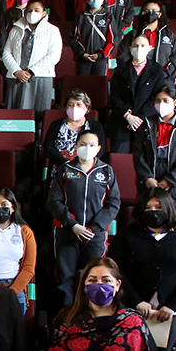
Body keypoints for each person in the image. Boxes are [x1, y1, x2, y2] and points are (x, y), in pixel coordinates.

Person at [112, 189, 176, 350]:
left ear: (168, 208)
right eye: (148, 208)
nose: (153, 212)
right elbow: (115, 269)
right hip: (132, 308)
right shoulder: (126, 234)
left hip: (169, 313)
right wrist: (137, 301)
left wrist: (172, 305)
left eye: (158, 207)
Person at [47, 130, 120, 303]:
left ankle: (90, 314)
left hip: (95, 235)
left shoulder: (107, 171)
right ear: (75, 146)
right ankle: (67, 315)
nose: (87, 148)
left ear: (98, 148)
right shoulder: (65, 170)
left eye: (92, 145)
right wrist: (73, 224)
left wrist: (95, 227)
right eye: (83, 144)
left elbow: (113, 203)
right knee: (65, 278)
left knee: (94, 278)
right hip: (67, 231)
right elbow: (54, 202)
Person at [135, 85, 176, 206]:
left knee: (172, 216)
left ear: (175, 102)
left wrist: (170, 180)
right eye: (158, 101)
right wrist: (147, 178)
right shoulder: (146, 124)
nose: (161, 104)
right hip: (150, 181)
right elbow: (138, 155)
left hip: (175, 183)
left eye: (166, 100)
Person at [107, 36, 170, 153]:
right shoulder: (120, 69)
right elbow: (114, 96)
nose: (139, 48)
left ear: (150, 48)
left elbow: (157, 97)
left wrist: (139, 117)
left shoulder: (157, 70)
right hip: (122, 121)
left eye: (143, 46)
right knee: (119, 160)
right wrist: (128, 116)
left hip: (146, 122)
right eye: (136, 46)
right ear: (130, 48)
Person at [1, 1, 63, 111]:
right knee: (16, 112)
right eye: (29, 11)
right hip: (17, 77)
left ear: (44, 13)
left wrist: (31, 71)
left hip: (41, 77)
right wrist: (16, 71)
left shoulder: (52, 30)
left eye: (36, 10)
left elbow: (54, 55)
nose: (32, 13)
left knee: (39, 113)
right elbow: (6, 53)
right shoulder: (15, 29)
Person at [43, 90, 106, 179]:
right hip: (60, 167)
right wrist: (66, 163)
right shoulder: (56, 125)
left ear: (87, 108)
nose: (74, 108)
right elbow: (48, 148)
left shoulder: (96, 127)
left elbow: (100, 150)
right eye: (70, 105)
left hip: (86, 168)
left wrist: (82, 164)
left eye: (79, 104)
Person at [131, 1, 176, 78]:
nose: (150, 13)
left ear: (159, 14)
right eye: (146, 11)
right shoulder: (134, 34)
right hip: (137, 78)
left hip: (163, 78)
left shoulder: (169, 35)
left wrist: (165, 72)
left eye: (154, 11)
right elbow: (123, 55)